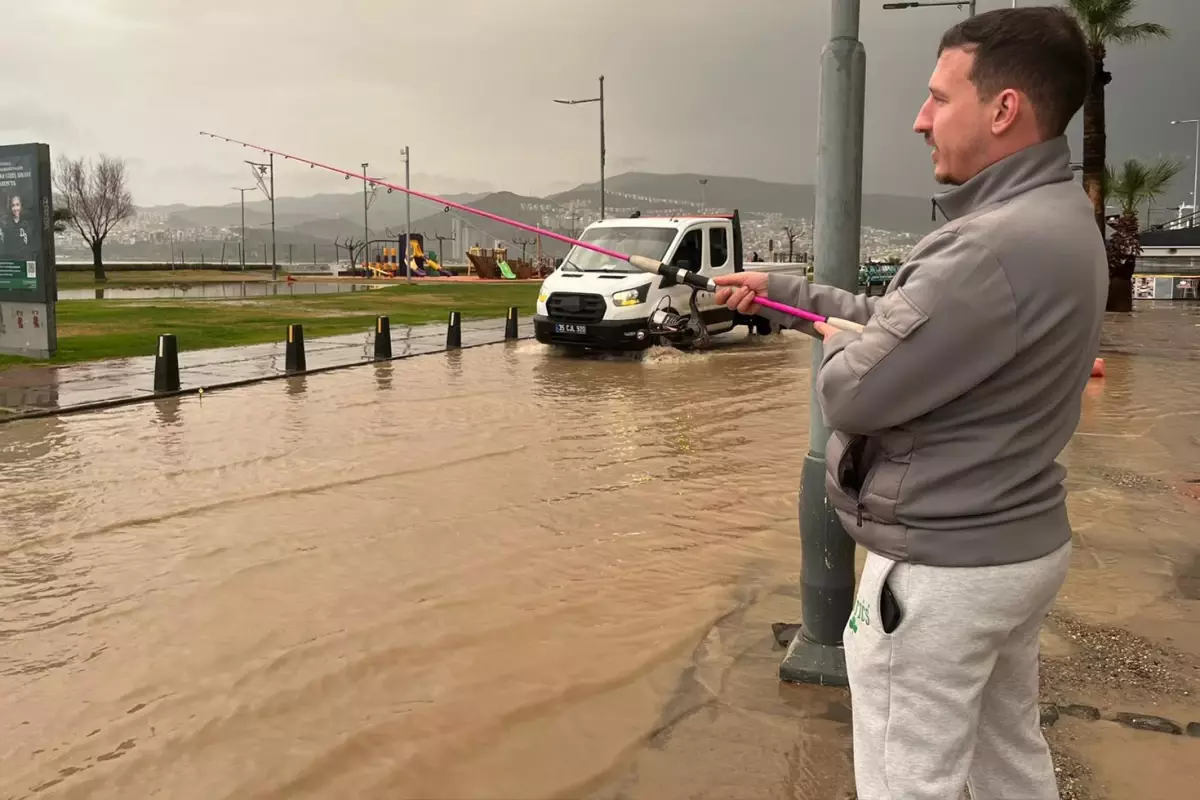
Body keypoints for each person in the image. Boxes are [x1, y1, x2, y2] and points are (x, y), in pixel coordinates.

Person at [715, 7, 1104, 799]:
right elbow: (905, 326)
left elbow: (853, 394)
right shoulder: (1060, 219)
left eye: (940, 97)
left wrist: (839, 349)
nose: (920, 119)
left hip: (941, 572)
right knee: (1007, 759)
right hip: (1015, 549)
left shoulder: (985, 248)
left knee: (907, 779)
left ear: (1003, 109)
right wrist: (785, 295)